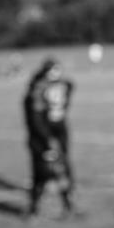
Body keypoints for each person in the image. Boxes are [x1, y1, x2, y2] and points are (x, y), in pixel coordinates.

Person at [22, 58, 76, 218]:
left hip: (57, 134)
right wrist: (46, 140)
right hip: (43, 138)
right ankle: (33, 209)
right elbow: (34, 118)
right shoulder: (39, 89)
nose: (57, 74)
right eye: (53, 70)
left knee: (63, 171)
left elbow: (70, 87)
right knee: (43, 173)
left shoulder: (57, 86)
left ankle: (68, 207)